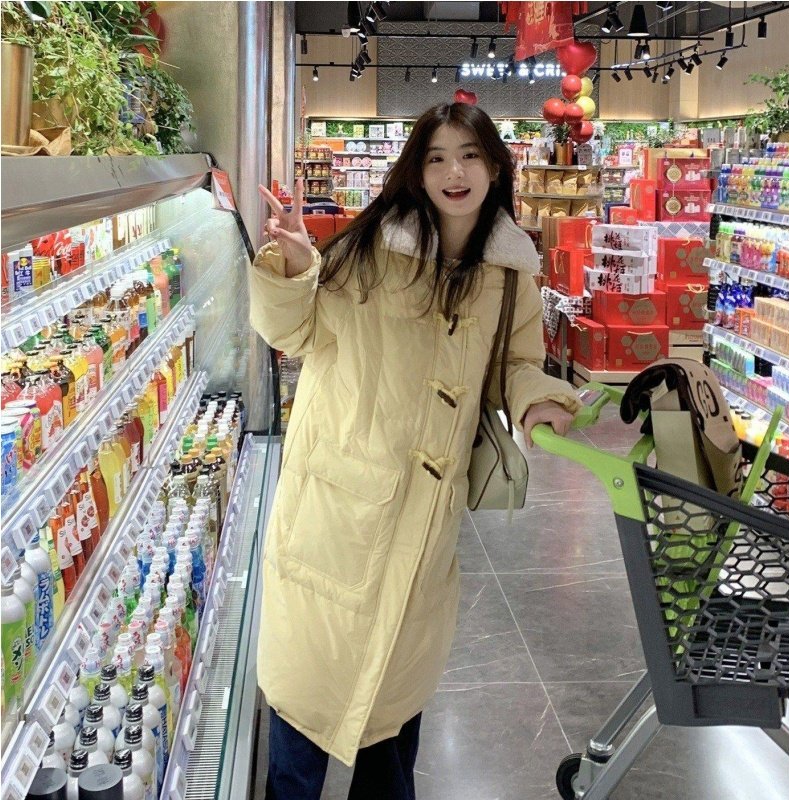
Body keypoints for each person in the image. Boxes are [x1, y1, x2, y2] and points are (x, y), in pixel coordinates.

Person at [250, 102, 581, 800]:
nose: (454, 172)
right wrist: (295, 267)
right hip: (336, 517)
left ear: (495, 168)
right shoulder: (373, 252)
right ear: (417, 171)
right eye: (436, 158)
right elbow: (296, 333)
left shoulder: (510, 275)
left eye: (469, 155)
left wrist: (537, 400)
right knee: (302, 725)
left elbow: (516, 362)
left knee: (393, 720)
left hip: (425, 527)